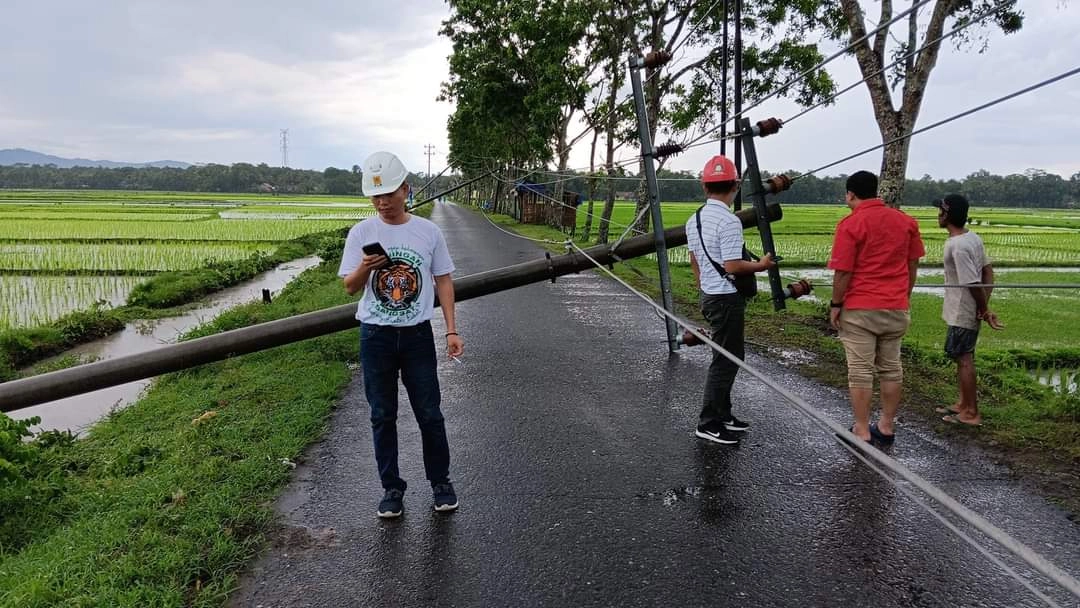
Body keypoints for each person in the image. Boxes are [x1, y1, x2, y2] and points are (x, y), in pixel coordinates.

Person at [339, 151, 465, 519]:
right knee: (382, 415)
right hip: (375, 335)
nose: (382, 202)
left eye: (389, 193)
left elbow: (443, 279)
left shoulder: (428, 231)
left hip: (416, 335)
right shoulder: (362, 233)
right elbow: (349, 288)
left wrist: (452, 329)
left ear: (406, 190)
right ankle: (391, 488)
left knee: (430, 413)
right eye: (375, 196)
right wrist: (365, 267)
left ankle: (440, 483)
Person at [828, 171, 925, 445]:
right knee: (892, 368)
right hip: (895, 306)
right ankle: (886, 425)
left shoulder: (851, 224)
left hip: (860, 308)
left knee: (860, 370)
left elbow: (843, 272)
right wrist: (903, 294)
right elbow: (913, 264)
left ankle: (861, 429)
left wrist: (836, 304)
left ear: (850, 195)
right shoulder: (906, 222)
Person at [686, 154, 776, 445]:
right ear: (735, 185)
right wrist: (761, 265)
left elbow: (694, 258)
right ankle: (709, 421)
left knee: (726, 356)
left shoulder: (694, 219)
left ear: (704, 187)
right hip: (726, 299)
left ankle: (723, 413)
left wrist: (703, 286)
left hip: (711, 295)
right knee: (726, 360)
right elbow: (732, 266)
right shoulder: (729, 221)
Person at [933, 194, 1004, 426]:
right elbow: (988, 272)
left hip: (962, 310)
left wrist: (983, 308)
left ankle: (971, 412)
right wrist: (984, 305)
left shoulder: (959, 246)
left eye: (940, 211)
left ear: (947, 214)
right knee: (962, 356)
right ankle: (963, 404)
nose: (938, 215)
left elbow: (972, 282)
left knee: (964, 359)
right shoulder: (972, 238)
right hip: (967, 308)